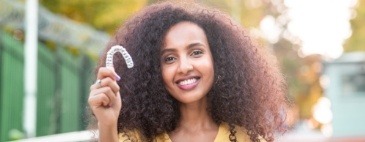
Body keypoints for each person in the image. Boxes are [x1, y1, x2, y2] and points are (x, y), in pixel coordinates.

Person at [88, 1, 287, 142]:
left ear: (217, 59)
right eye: (169, 58)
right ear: (155, 71)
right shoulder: (136, 138)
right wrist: (107, 124)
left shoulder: (247, 139)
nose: (184, 67)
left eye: (196, 52)